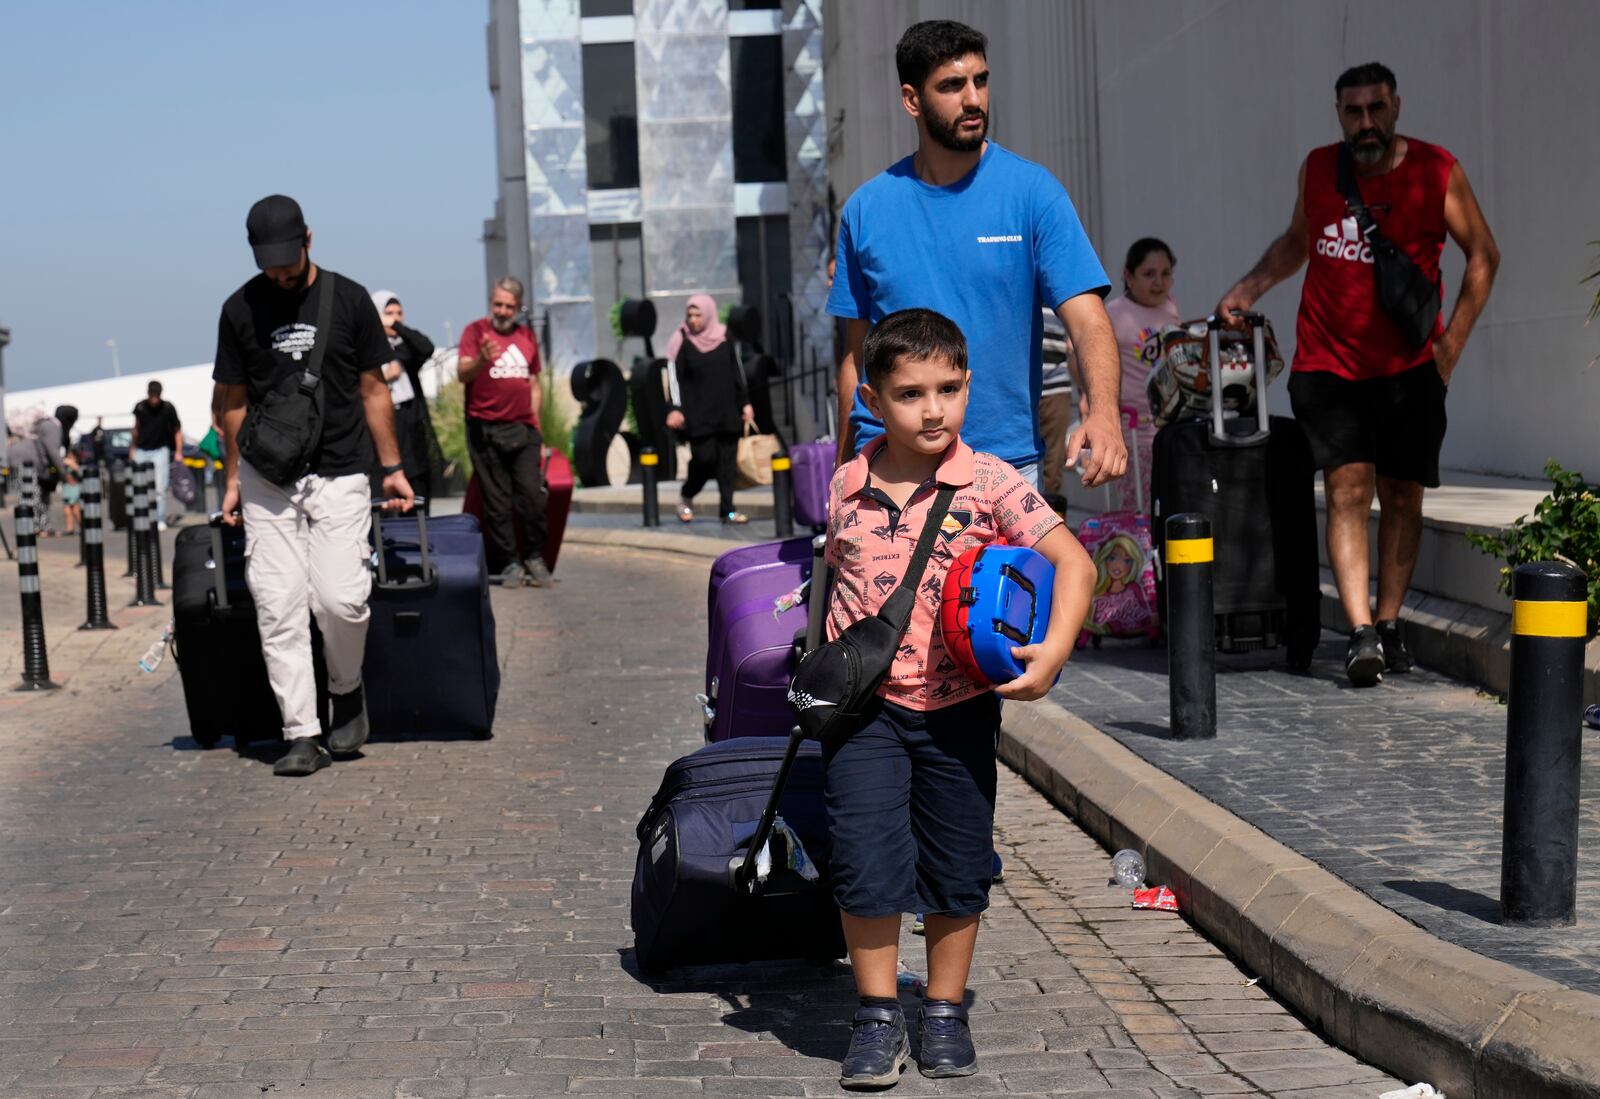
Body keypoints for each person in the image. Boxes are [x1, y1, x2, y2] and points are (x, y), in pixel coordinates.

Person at [822, 308, 1094, 1088]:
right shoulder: (846, 482)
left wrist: (1052, 655)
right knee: (865, 860)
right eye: (910, 393)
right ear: (873, 398)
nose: (933, 408)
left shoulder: (993, 482)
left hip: (958, 711)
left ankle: (943, 1009)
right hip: (863, 713)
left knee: (957, 864)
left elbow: (1076, 566)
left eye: (948, 388)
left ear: (969, 385)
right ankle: (876, 1013)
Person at [1216, 62, 1499, 686]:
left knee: (1403, 495)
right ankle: (1361, 630)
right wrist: (1249, 286)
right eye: (1352, 111)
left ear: (1396, 105)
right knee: (1348, 489)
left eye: (1375, 108)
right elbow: (1299, 240)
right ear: (1338, 114)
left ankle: (1390, 621)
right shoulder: (1320, 169)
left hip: (1410, 368)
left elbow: (1484, 254)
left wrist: (1450, 346)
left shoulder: (1436, 169)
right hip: (1329, 363)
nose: (1364, 122)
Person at [829, 19, 1126, 493]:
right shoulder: (866, 209)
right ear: (912, 100)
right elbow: (854, 354)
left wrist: (1105, 414)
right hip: (889, 468)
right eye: (952, 85)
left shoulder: (1033, 193)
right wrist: (844, 467)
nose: (974, 100)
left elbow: (1088, 320)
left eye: (980, 81)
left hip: (1002, 468)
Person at [214, 194, 415, 777]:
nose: (278, 272)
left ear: (309, 239)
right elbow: (231, 402)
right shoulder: (239, 309)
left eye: (286, 259)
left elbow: (375, 390)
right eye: (267, 262)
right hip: (267, 477)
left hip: (341, 466)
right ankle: (300, 730)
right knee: (278, 605)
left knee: (340, 599)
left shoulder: (348, 299)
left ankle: (346, 688)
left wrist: (393, 466)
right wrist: (231, 479)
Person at [457, 277, 550, 587]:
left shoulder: (526, 337)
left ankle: (535, 555)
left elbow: (533, 383)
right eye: (498, 304)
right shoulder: (475, 332)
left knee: (532, 495)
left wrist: (536, 425)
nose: (502, 310)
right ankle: (510, 562)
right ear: (491, 302)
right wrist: (482, 358)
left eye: (509, 306)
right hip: (485, 430)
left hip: (523, 429)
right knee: (496, 502)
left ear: (518, 308)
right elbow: (462, 373)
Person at [1100, 238, 1180, 511]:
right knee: (1136, 509)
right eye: (1149, 274)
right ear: (1128, 276)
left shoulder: (1170, 307)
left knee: (1166, 505)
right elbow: (1083, 358)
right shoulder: (1113, 313)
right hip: (1132, 431)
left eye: (1166, 273)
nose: (1158, 282)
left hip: (1168, 427)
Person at [664, 294, 755, 524]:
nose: (693, 320)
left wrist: (745, 402)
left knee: (727, 465)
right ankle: (687, 494)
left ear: (708, 314)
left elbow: (737, 371)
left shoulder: (724, 336)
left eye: (698, 315)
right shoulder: (681, 339)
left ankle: (728, 510)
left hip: (727, 411)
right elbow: (674, 379)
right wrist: (675, 408)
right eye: (690, 315)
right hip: (698, 415)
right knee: (705, 459)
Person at [370, 290, 438, 512]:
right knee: (385, 507)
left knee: (418, 502)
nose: (394, 317)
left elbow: (426, 347)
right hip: (381, 434)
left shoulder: (405, 349)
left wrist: (396, 327)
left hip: (411, 432)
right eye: (388, 313)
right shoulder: (366, 351)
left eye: (399, 313)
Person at [131, 380, 183, 530]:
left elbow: (177, 430)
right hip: (141, 450)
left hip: (161, 450)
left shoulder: (167, 408)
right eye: (152, 395)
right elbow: (136, 428)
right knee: (140, 486)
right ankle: (142, 516)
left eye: (157, 395)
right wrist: (132, 448)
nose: (154, 399)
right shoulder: (140, 407)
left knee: (160, 487)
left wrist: (178, 452)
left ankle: (160, 518)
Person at [60, 454, 82, 535]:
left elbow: (79, 472)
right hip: (67, 489)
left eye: (71, 457)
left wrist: (72, 464)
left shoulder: (75, 466)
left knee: (76, 511)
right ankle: (70, 528)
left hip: (74, 489)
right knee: (67, 511)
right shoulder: (64, 466)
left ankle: (83, 527)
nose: (69, 459)